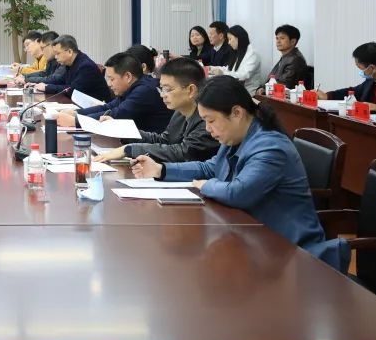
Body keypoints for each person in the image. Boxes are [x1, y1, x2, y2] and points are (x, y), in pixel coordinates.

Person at [130, 76, 347, 269]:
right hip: (254, 240)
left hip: (291, 254)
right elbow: (210, 167)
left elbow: (239, 192)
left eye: (211, 120)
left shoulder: (271, 147)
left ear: (237, 113)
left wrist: (206, 185)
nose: (207, 129)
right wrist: (161, 170)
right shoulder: (236, 136)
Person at [94, 58, 218, 163]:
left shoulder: (208, 118)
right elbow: (164, 140)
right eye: (161, 89)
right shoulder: (181, 111)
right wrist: (122, 129)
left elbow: (183, 153)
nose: (162, 95)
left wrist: (130, 149)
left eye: (168, 89)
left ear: (191, 90)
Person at [60, 52, 171, 133]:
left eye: (112, 79)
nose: (108, 84)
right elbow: (107, 107)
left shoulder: (144, 91)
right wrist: (76, 113)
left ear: (128, 76)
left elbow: (117, 114)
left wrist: (76, 121)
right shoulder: (134, 87)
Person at [29, 35, 110, 102]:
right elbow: (60, 80)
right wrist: (39, 85)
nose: (56, 57)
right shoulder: (70, 63)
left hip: (96, 109)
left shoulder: (85, 66)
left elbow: (73, 90)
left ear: (70, 52)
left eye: (58, 53)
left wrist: (47, 87)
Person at [262, 24, 309, 90]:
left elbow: (285, 84)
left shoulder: (295, 60)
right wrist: (261, 88)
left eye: (282, 38)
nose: (278, 41)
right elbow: (271, 79)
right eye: (277, 38)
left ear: (293, 41)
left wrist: (264, 89)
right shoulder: (286, 57)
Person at [220, 25, 264, 94]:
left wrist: (223, 73)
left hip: (248, 93)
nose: (229, 42)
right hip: (235, 90)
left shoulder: (252, 53)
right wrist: (212, 68)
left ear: (238, 38)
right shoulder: (238, 53)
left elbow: (244, 75)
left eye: (230, 39)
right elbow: (229, 70)